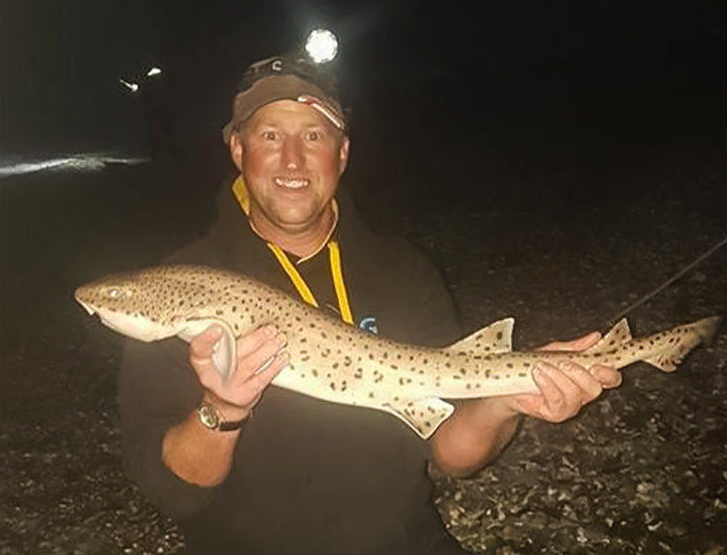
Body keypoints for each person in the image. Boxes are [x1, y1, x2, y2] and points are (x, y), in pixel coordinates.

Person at [118, 51, 621, 554]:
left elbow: (452, 455)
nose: (292, 159)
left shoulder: (403, 271)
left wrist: (506, 402)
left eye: (313, 136)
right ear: (237, 148)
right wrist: (222, 410)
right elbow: (172, 493)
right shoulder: (187, 280)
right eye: (270, 135)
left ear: (341, 154)